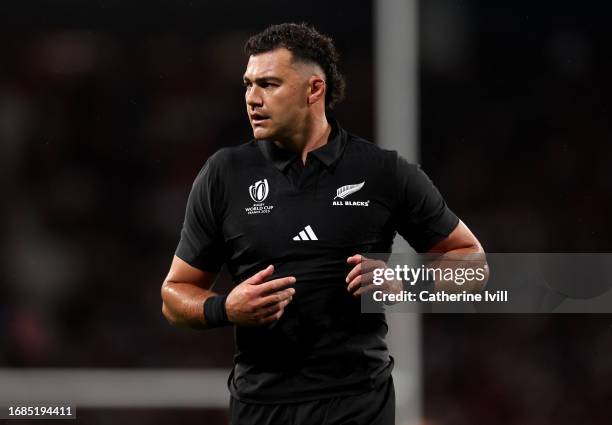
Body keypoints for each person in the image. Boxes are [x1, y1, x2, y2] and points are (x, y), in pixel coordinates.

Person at [161, 23, 485, 425]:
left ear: (314, 89)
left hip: (358, 403)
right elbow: (174, 295)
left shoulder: (384, 172)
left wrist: (407, 281)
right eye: (248, 85)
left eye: (269, 84)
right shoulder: (225, 174)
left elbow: (473, 262)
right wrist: (223, 308)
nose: (252, 99)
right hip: (261, 407)